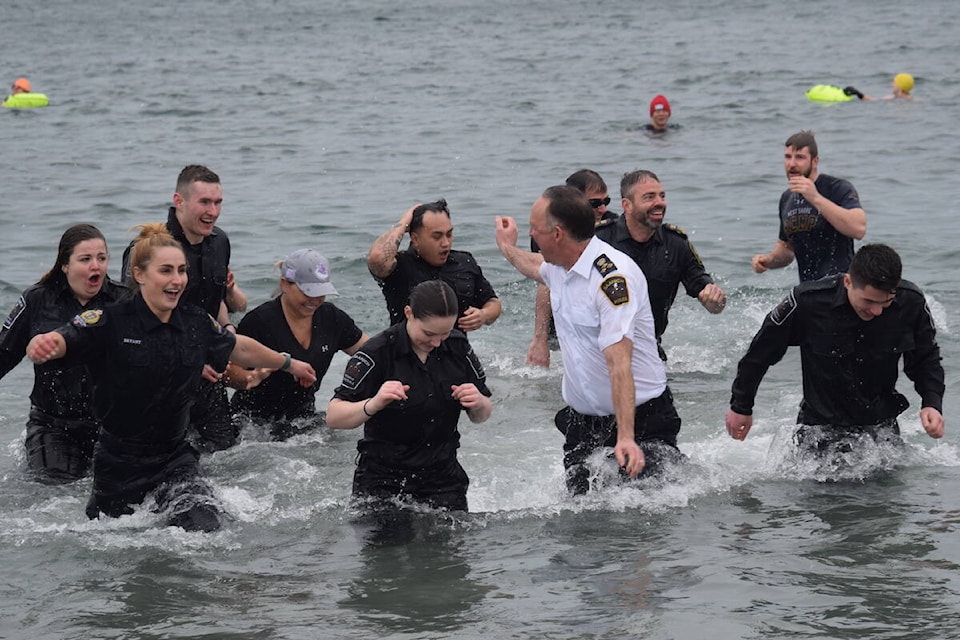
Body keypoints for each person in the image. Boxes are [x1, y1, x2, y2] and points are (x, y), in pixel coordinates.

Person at [26, 224, 317, 532]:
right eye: (166, 271)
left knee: (206, 529)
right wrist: (44, 343)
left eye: (181, 270)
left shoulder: (194, 321)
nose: (177, 280)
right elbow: (63, 339)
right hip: (119, 465)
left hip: (175, 458)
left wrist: (287, 362)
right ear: (139, 274)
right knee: (112, 545)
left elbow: (239, 348)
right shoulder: (110, 320)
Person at [495, 185, 685, 495]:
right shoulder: (560, 267)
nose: (532, 234)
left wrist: (626, 436)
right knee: (580, 523)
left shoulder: (612, 280)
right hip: (582, 426)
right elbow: (532, 265)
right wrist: (506, 247)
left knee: (641, 522)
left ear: (557, 234)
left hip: (641, 422)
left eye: (535, 229)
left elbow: (619, 362)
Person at [726, 244, 944, 456]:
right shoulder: (808, 302)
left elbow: (926, 359)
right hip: (818, 431)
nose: (877, 310)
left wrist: (932, 403)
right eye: (868, 301)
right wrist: (741, 407)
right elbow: (759, 355)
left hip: (880, 431)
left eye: (885, 302)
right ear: (848, 281)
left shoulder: (911, 303)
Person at [326, 280, 492, 512]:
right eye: (429, 333)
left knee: (448, 547)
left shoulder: (458, 347)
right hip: (383, 481)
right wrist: (374, 404)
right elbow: (333, 416)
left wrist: (478, 403)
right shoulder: (377, 353)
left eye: (444, 333)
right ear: (409, 313)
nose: (436, 342)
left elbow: (482, 414)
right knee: (388, 546)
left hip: (442, 478)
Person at [122, 165, 248, 451]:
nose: (213, 211)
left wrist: (227, 331)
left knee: (226, 457)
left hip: (209, 378)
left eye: (218, 203)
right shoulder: (148, 249)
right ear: (179, 200)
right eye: (204, 202)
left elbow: (214, 303)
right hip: (160, 380)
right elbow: (131, 323)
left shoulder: (220, 242)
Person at [0, 224, 128, 482]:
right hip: (53, 426)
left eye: (101, 258)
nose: (96, 266)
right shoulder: (37, 300)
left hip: (110, 426)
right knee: (56, 489)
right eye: (85, 259)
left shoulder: (123, 301)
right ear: (65, 265)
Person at [226, 249, 368, 439]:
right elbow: (228, 373)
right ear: (285, 284)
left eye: (321, 293)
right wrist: (252, 376)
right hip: (252, 427)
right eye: (307, 292)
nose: (315, 300)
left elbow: (371, 353)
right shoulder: (259, 321)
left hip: (304, 421)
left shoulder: (331, 318)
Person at [596, 170, 726, 361]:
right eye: (649, 197)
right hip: (597, 348)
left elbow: (709, 298)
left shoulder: (676, 244)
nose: (660, 203)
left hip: (648, 348)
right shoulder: (600, 240)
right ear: (627, 205)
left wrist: (715, 300)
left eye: (662, 196)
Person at [367, 198, 501, 333]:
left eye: (449, 234)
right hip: (409, 350)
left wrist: (483, 315)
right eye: (437, 237)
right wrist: (403, 224)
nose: (446, 243)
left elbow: (493, 302)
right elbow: (377, 258)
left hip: (456, 349)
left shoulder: (464, 262)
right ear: (415, 239)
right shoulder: (400, 266)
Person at [527, 169, 618, 367]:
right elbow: (546, 284)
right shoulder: (549, 231)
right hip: (561, 321)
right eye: (595, 203)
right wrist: (540, 340)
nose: (602, 209)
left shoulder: (613, 226)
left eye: (606, 201)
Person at [751, 131, 867, 282]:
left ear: (815, 161)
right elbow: (786, 250)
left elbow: (858, 229)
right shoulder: (787, 197)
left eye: (800, 157)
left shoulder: (836, 188)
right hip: (809, 291)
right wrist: (768, 261)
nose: (792, 164)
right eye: (788, 157)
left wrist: (815, 197)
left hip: (842, 287)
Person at [842, 73, 915, 101]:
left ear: (900, 86)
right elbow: (874, 100)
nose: (892, 84)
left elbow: (874, 101)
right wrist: (858, 94)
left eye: (894, 82)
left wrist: (858, 94)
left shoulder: (891, 98)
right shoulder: (912, 100)